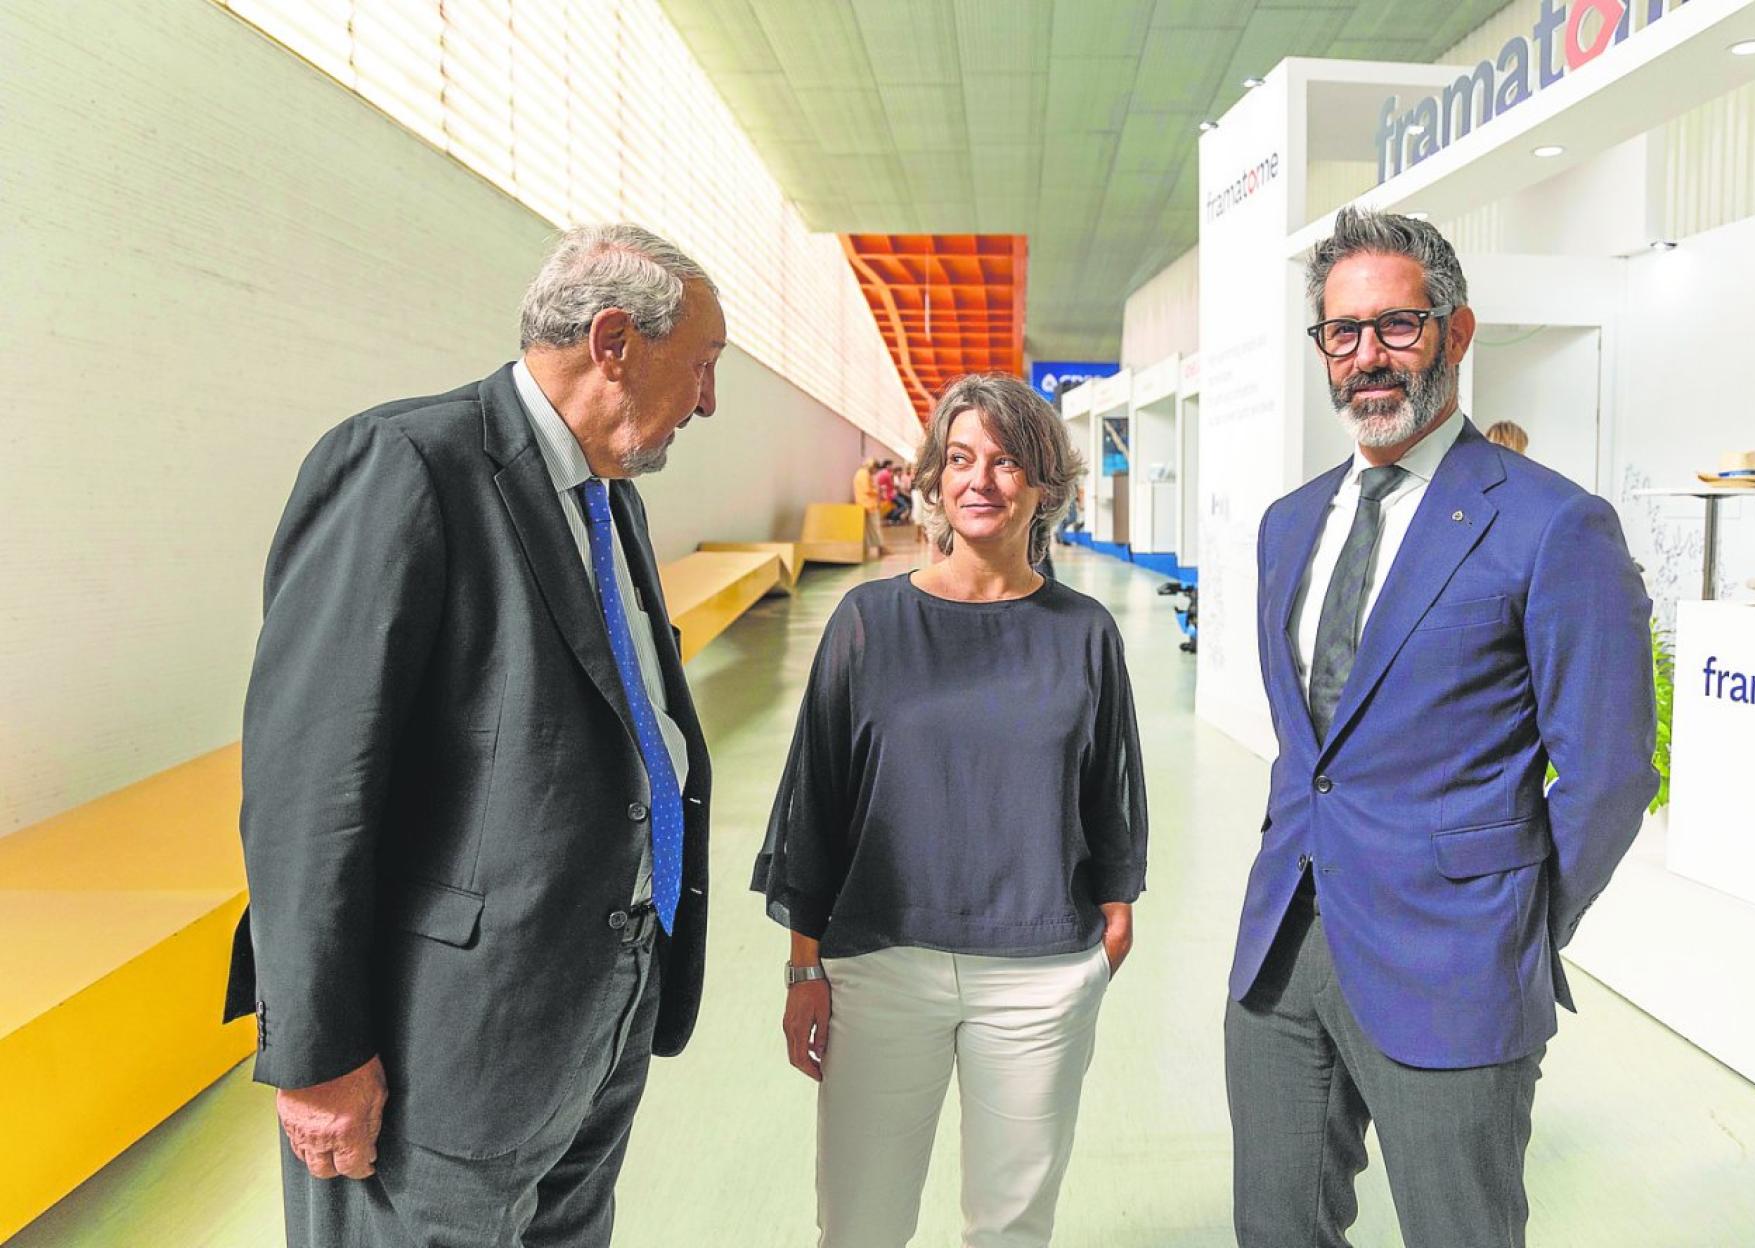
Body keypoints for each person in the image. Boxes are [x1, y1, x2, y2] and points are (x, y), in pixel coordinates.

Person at [224, 223, 726, 1246]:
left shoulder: (608, 494)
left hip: (600, 996)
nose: (709, 401)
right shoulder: (406, 464)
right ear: (617, 341)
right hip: (444, 1040)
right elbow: (310, 783)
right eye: (704, 367)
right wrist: (318, 1052)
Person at [1225, 206, 1656, 1248]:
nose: (1368, 357)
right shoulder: (1290, 524)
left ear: (1457, 335)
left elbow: (1609, 773)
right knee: (1276, 1229)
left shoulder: (1552, 524)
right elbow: (1312, 752)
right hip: (1283, 952)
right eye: (1344, 332)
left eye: (1397, 327)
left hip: (1455, 965)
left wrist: (1510, 923)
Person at [753, 373, 1148, 1248]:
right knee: (859, 1226)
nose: (981, 480)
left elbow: (1111, 786)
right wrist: (803, 969)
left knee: (1012, 1228)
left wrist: (1112, 918)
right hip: (883, 967)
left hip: (1039, 975)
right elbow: (816, 804)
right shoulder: (868, 621)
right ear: (933, 479)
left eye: (1008, 462)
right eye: (961, 459)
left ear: (1045, 484)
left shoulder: (1084, 631)